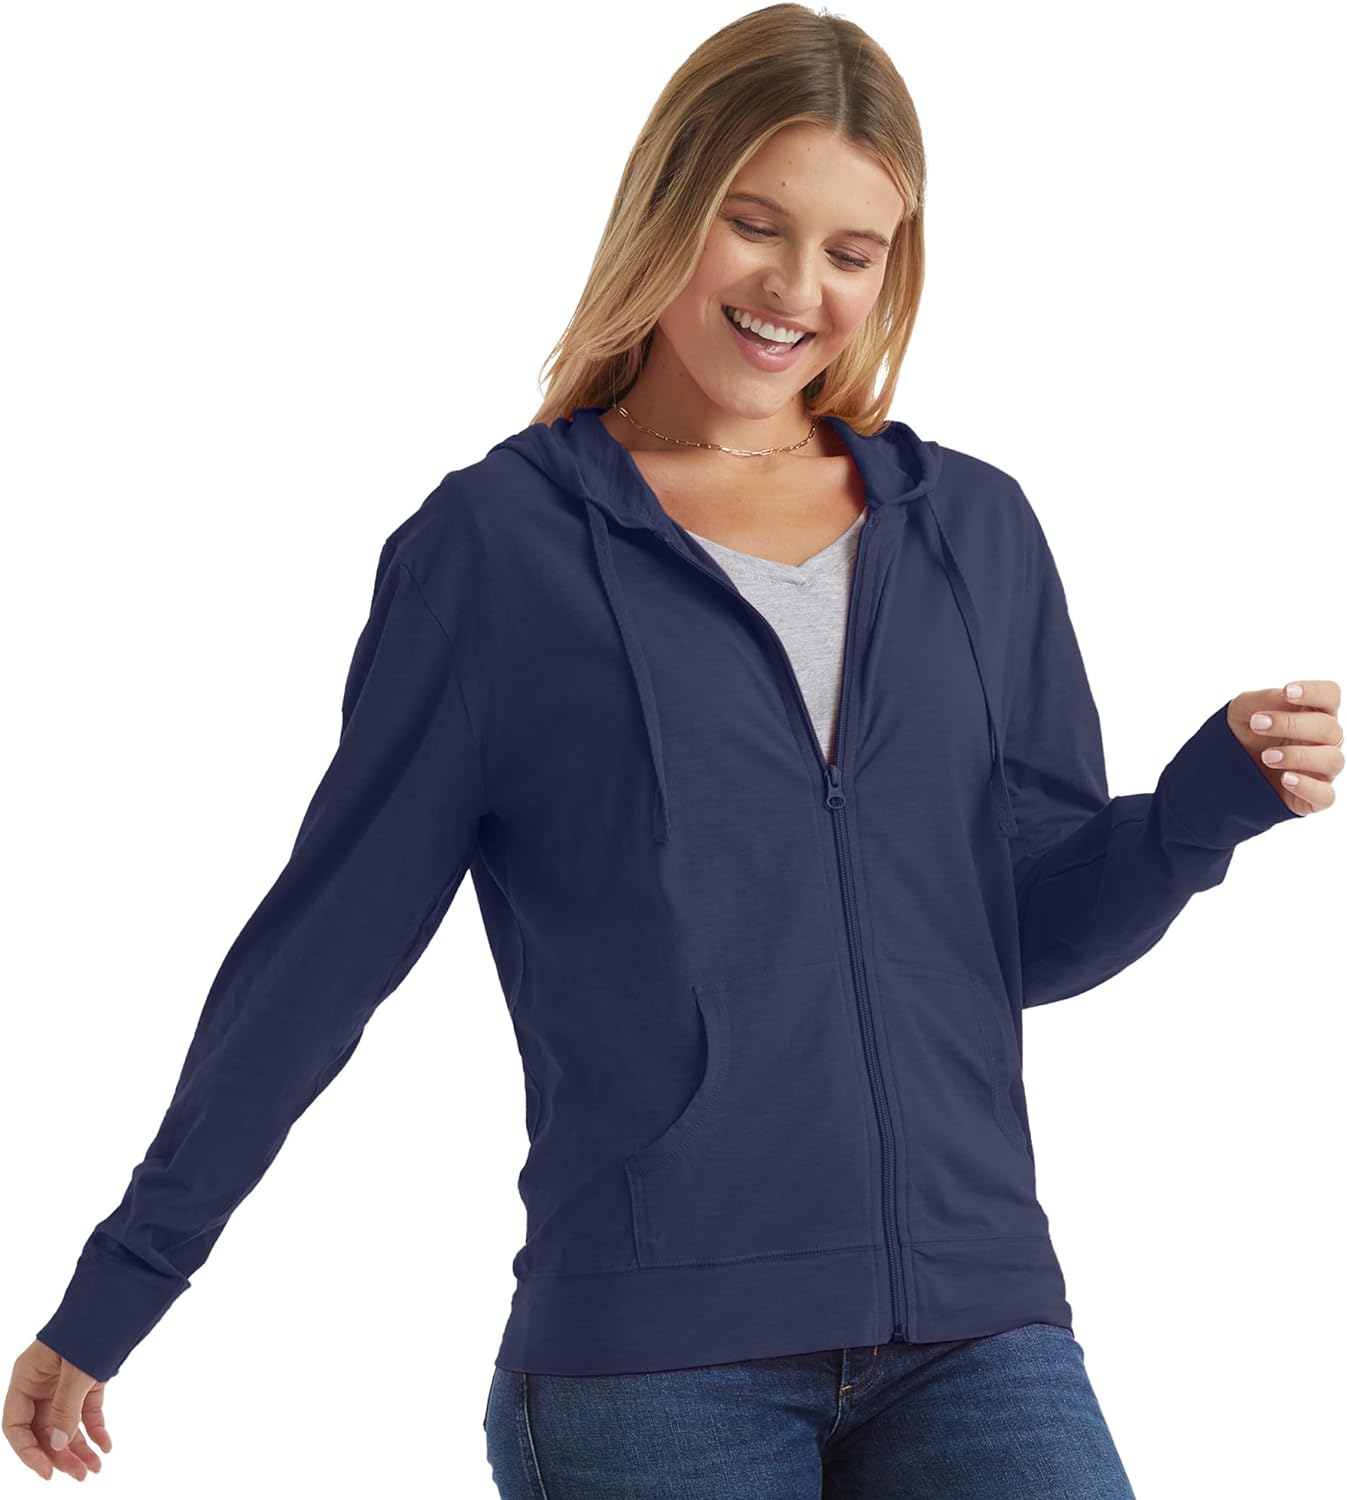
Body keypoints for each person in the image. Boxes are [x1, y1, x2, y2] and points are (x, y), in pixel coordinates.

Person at [6, 3, 1340, 1494]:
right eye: (753, 225)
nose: (795, 289)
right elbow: (327, 949)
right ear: (666, 210)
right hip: (653, 1369)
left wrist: (1197, 812)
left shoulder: (972, 530)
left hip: (977, 1326)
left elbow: (1019, 938)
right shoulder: (497, 550)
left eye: (853, 252)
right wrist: (126, 1280)